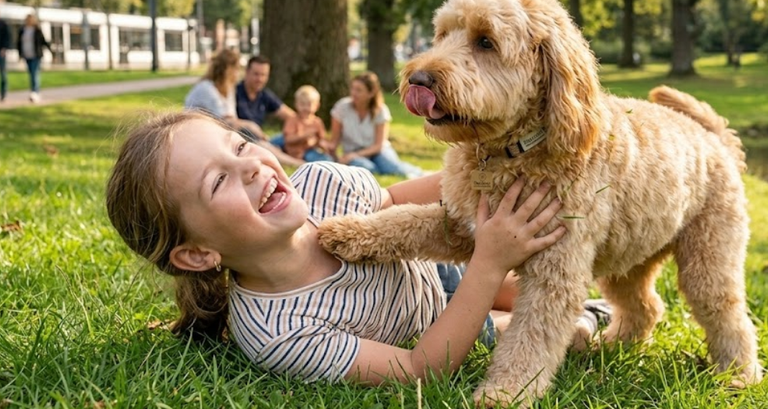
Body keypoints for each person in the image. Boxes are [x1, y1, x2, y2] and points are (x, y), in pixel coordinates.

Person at [106, 111, 610, 385]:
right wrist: (490, 258)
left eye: (239, 145)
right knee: (530, 330)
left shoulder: (321, 183)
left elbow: (410, 195)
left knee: (541, 290)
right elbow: (420, 369)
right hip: (441, 327)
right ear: (198, 255)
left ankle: (577, 299)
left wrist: (496, 176)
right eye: (218, 182)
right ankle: (591, 320)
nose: (251, 166)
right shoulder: (279, 333)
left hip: (434, 272)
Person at [184, 49, 304, 167]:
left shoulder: (229, 90)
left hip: (226, 134)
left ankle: (283, 154)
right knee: (259, 144)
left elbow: (233, 119)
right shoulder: (207, 89)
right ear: (227, 70)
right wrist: (250, 125)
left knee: (271, 141)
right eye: (236, 70)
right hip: (205, 139)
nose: (238, 74)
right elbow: (227, 122)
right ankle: (295, 162)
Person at [329, 71, 423, 178]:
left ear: (371, 93)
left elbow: (379, 145)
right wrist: (334, 155)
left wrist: (356, 155)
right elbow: (334, 140)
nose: (353, 93)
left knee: (393, 168)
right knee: (368, 169)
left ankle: (421, 173)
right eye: (352, 88)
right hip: (352, 153)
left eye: (359, 90)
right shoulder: (342, 107)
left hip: (377, 151)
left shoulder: (381, 110)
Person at [235, 55, 295, 148]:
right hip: (242, 141)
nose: (260, 79)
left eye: (263, 75)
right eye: (256, 74)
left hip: (262, 139)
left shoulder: (264, 95)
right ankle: (298, 161)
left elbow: (289, 115)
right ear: (247, 72)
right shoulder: (234, 93)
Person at [282, 85, 333, 162]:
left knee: (327, 159)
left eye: (309, 104)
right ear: (296, 104)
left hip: (309, 150)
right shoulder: (292, 120)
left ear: (317, 106)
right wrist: (304, 135)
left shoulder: (317, 122)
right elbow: (288, 139)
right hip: (295, 152)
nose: (305, 108)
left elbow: (321, 139)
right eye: (302, 104)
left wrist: (324, 146)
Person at [17, 14, 51, 103]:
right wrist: (20, 54)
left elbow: (43, 41)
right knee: (31, 73)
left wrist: (50, 50)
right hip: (27, 55)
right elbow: (19, 43)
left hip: (36, 55)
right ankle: (34, 92)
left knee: (34, 74)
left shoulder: (37, 30)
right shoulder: (22, 30)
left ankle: (35, 92)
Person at [0, 9, 10, 103]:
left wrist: (4, 48)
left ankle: (4, 94)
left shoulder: (3, 24)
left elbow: (7, 37)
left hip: (1, 53)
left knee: (3, 74)